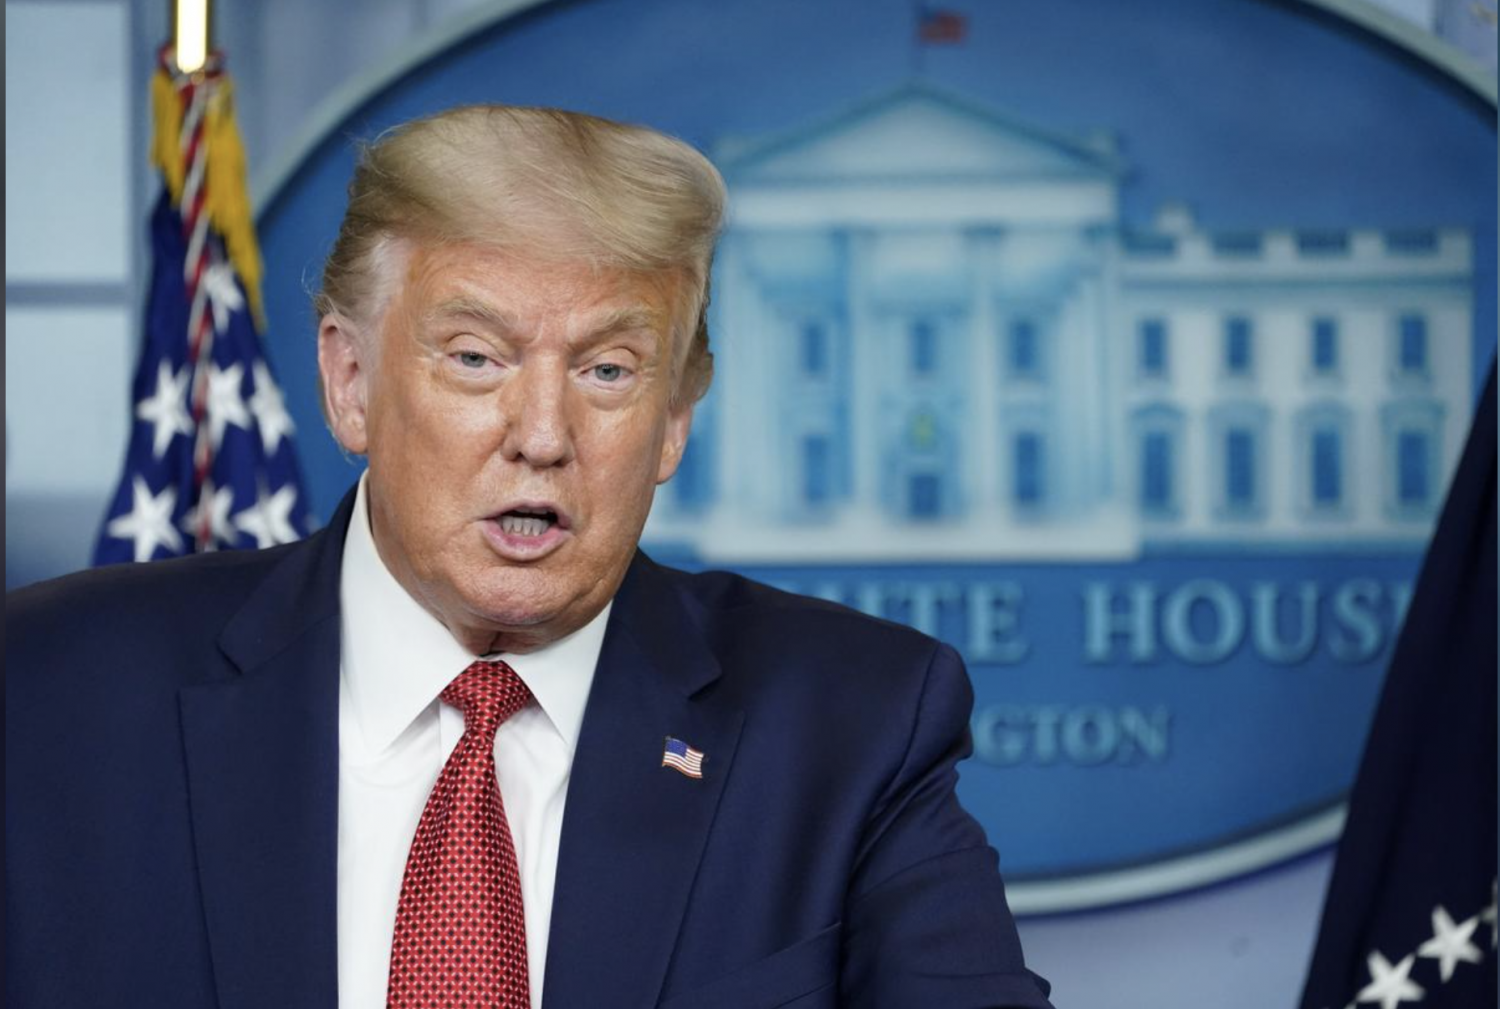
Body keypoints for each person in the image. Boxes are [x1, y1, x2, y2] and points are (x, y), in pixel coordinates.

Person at [7, 105, 1053, 1009]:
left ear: (677, 417)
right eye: (475, 358)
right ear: (350, 380)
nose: (542, 432)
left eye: (607, 369)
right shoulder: (48, 691)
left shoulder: (851, 724)